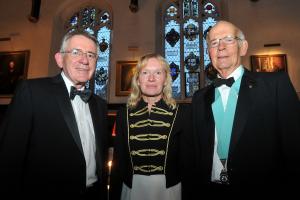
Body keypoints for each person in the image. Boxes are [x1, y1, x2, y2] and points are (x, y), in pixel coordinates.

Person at [190, 21, 300, 196]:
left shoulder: (274, 85)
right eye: (214, 42)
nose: (221, 47)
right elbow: (196, 155)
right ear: (209, 52)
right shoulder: (199, 98)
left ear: (243, 47)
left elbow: (295, 149)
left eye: (228, 39)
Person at [0, 31, 109, 198]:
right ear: (59, 59)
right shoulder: (32, 92)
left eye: (91, 55)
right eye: (76, 52)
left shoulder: (100, 105)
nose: (84, 60)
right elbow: (8, 159)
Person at [110, 53, 192, 200]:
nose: (151, 78)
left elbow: (188, 163)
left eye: (158, 73)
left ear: (166, 80)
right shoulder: (123, 114)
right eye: (145, 72)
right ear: (138, 80)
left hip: (169, 189)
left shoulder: (182, 113)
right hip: (132, 188)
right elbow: (118, 162)